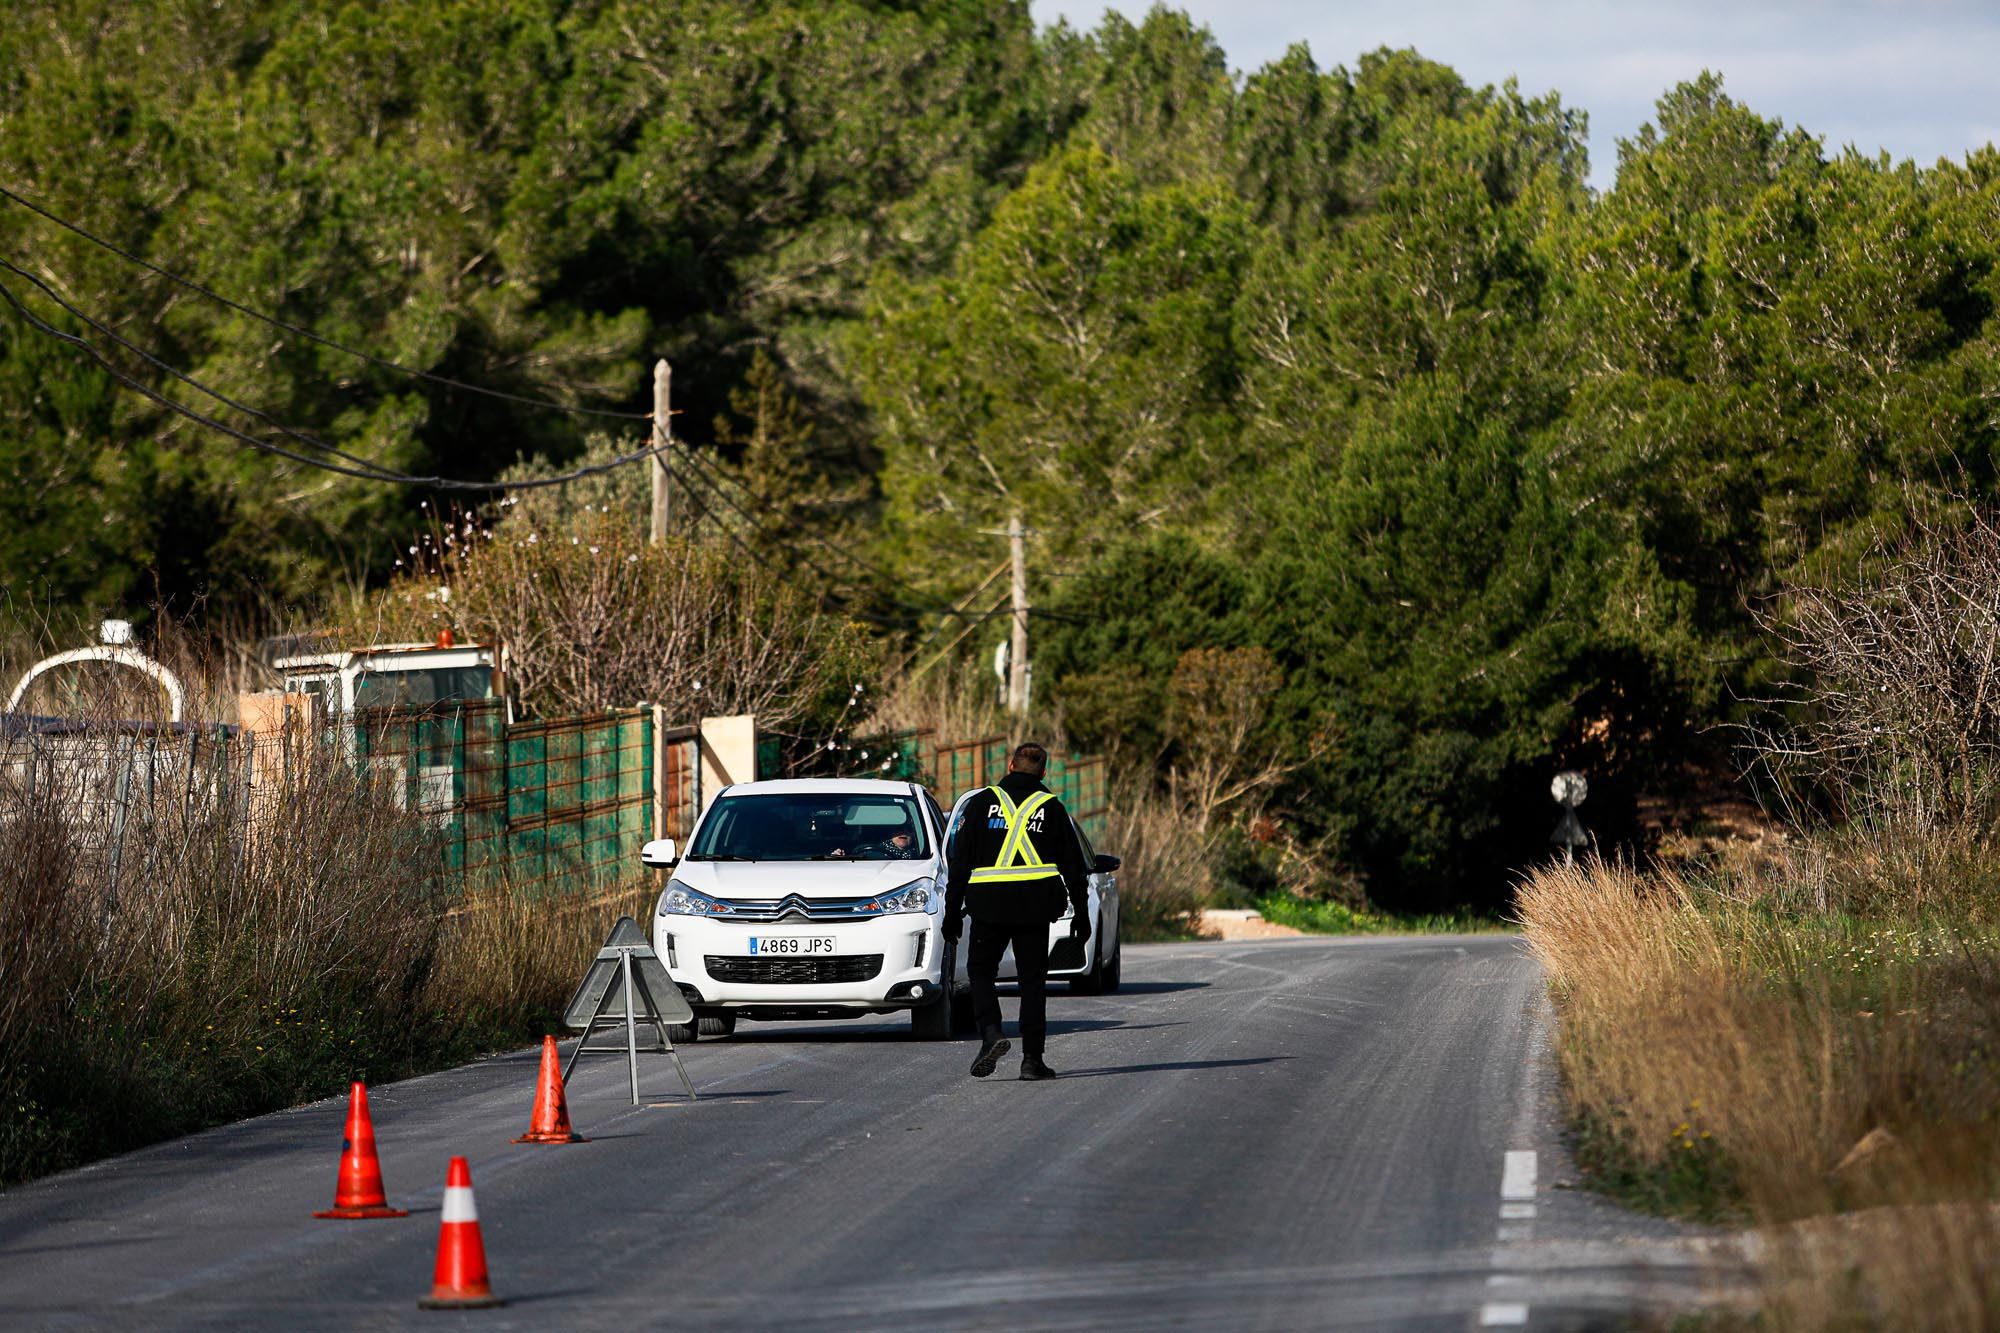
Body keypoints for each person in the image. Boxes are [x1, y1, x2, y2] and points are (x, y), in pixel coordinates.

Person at [943, 741, 1090, 1081]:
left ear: (1010, 766)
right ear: (1043, 772)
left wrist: (952, 912)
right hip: (1034, 909)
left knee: (980, 972)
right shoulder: (1052, 808)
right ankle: (1032, 1061)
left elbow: (960, 863)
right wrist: (1080, 913)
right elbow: (1073, 867)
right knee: (1032, 982)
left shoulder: (980, 804)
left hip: (988, 907)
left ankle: (992, 1033)